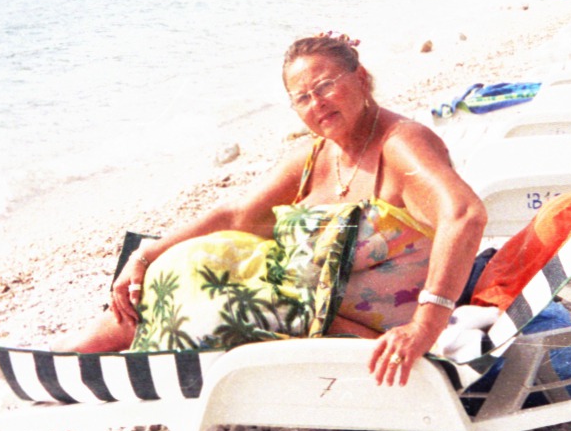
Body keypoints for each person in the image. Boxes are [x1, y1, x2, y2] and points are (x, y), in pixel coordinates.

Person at [53, 34, 487, 386]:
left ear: (361, 77)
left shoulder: (401, 143)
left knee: (210, 301)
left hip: (359, 333)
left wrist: (426, 326)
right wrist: (143, 256)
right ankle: (83, 353)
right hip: (306, 309)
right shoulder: (317, 156)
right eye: (302, 98)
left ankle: (80, 362)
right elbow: (236, 216)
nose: (316, 104)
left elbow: (464, 215)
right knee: (182, 262)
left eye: (325, 86)